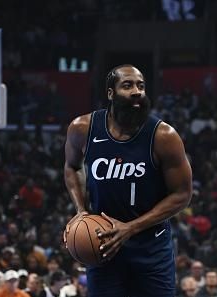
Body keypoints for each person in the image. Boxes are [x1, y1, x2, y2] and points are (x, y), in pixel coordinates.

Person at [64, 64, 192, 297]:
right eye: (127, 85)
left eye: (141, 86)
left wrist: (130, 228)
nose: (137, 91)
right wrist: (81, 211)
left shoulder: (164, 136)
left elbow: (182, 194)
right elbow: (72, 167)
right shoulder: (82, 128)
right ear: (110, 93)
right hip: (103, 245)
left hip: (151, 247)